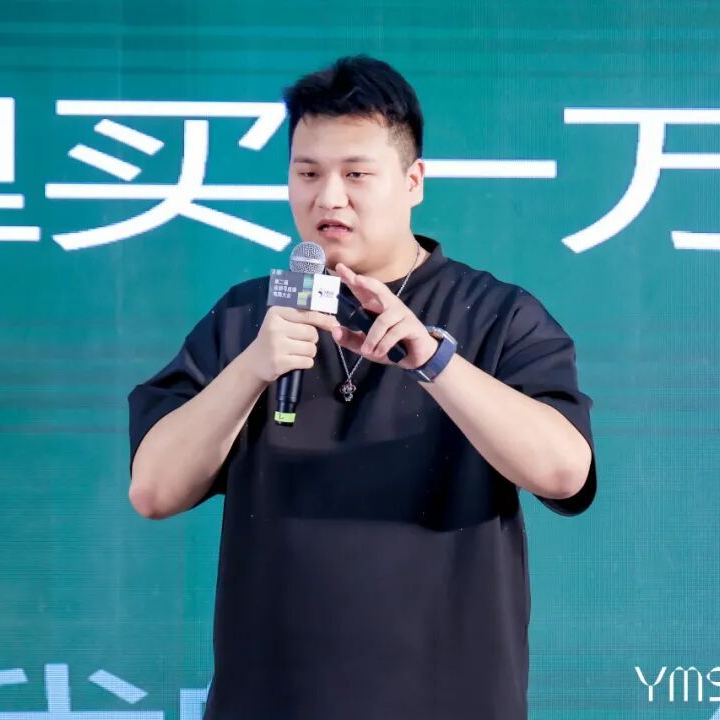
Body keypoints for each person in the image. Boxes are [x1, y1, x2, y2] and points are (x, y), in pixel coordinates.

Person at [128, 54, 597, 720]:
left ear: (413, 181)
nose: (329, 198)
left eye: (355, 174)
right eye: (307, 173)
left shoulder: (497, 315)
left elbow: (564, 472)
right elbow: (153, 490)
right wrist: (252, 369)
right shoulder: (248, 317)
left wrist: (436, 363)